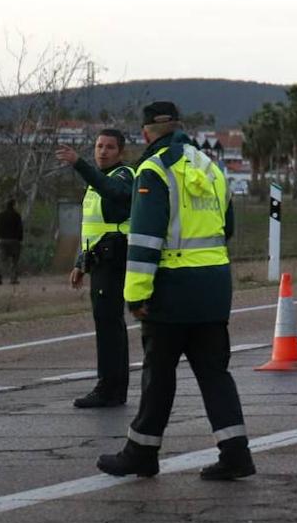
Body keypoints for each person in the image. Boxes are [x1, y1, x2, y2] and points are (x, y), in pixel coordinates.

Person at [97, 102, 255, 481]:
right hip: (214, 288)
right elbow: (226, 227)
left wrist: (135, 295)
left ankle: (141, 453)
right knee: (215, 374)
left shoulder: (153, 168)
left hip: (171, 292)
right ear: (181, 127)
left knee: (158, 374)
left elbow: (146, 239)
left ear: (147, 132)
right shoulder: (211, 166)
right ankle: (236, 454)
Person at [55, 131, 135, 408]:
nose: (103, 152)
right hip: (99, 258)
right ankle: (112, 387)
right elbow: (92, 228)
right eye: (99, 146)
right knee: (106, 322)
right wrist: (81, 263)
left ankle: (110, 388)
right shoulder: (95, 184)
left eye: (110, 147)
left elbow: (115, 193)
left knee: (109, 323)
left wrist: (79, 163)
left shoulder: (124, 175)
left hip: (115, 258)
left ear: (120, 152)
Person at [0, 198, 23, 285]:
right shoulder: (17, 215)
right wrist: (20, 239)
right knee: (14, 260)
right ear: (13, 205)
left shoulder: (0, 215)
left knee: (1, 260)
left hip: (2, 240)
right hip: (14, 240)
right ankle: (13, 279)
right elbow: (20, 229)